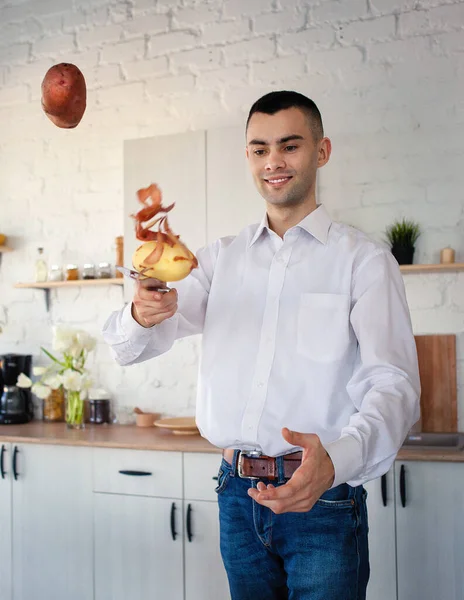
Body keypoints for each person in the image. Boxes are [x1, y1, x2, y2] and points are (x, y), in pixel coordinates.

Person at [103, 90, 420, 600]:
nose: (273, 161)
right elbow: (132, 347)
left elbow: (394, 385)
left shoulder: (364, 260)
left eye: (289, 146)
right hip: (236, 494)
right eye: (259, 149)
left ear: (322, 151)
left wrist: (336, 462)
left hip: (323, 499)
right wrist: (143, 313)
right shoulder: (219, 261)